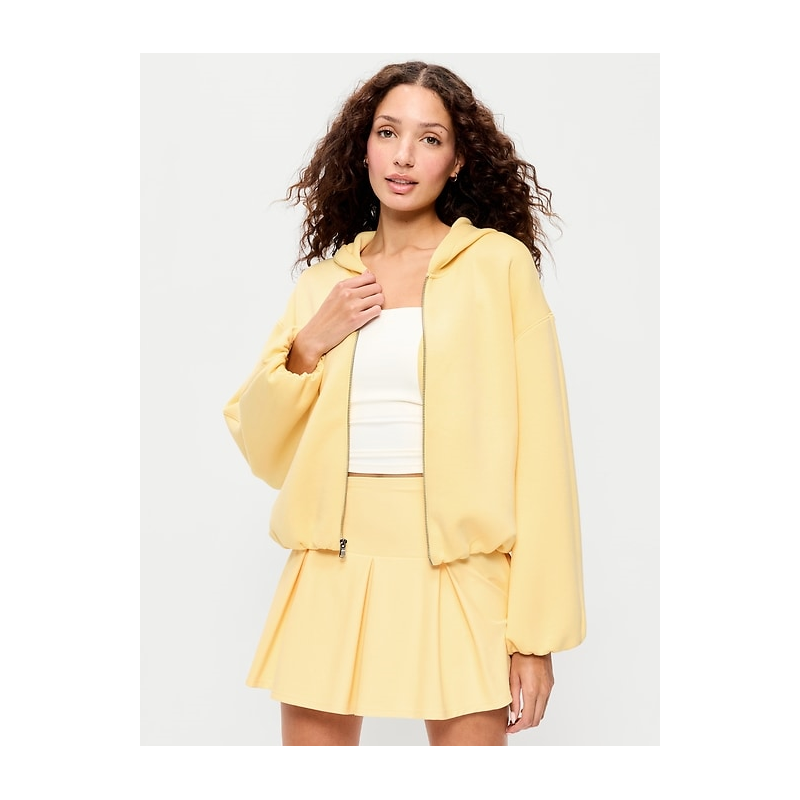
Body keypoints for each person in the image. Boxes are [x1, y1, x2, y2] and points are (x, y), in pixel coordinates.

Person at [223, 60, 586, 747]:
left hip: (460, 570)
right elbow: (262, 444)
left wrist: (535, 637)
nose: (403, 156)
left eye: (430, 138)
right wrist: (309, 344)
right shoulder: (325, 284)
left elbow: (544, 461)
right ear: (363, 147)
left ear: (457, 160)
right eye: (388, 132)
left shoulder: (497, 267)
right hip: (329, 563)